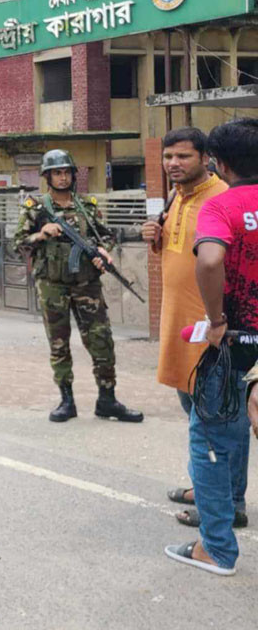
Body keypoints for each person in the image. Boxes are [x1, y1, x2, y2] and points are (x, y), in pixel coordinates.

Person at [165, 118, 258, 576]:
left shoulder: (221, 206)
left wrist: (217, 319)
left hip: (236, 342)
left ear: (218, 162)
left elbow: (211, 259)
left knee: (210, 437)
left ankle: (216, 549)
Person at [140, 128, 234, 524]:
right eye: (168, 157)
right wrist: (156, 237)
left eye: (183, 157)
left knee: (217, 420)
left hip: (213, 329)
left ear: (205, 158)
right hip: (179, 327)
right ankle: (206, 485)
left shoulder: (221, 198)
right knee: (193, 408)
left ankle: (227, 504)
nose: (173, 164)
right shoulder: (178, 195)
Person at [14, 149, 142, 423]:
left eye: (66, 172)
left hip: (87, 285)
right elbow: (18, 244)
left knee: (101, 340)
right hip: (52, 286)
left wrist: (103, 252)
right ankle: (66, 401)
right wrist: (41, 233)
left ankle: (107, 399)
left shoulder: (87, 206)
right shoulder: (36, 208)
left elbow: (107, 236)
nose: (62, 178)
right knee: (59, 343)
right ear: (47, 177)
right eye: (56, 173)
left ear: (73, 175)